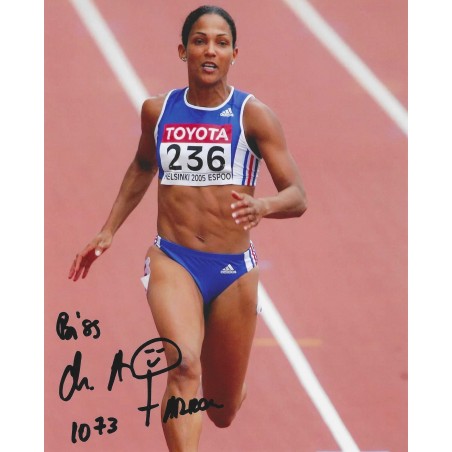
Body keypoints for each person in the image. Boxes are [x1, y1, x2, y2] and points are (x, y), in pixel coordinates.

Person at [68, 5, 307, 451]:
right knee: (183, 366)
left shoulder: (253, 117)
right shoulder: (157, 111)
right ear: (183, 51)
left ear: (234, 54)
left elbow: (298, 195)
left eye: (221, 42)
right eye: (200, 41)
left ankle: (227, 387)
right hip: (173, 258)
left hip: (233, 270)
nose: (210, 50)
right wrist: (109, 229)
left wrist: (265, 205)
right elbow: (143, 165)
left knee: (222, 411)